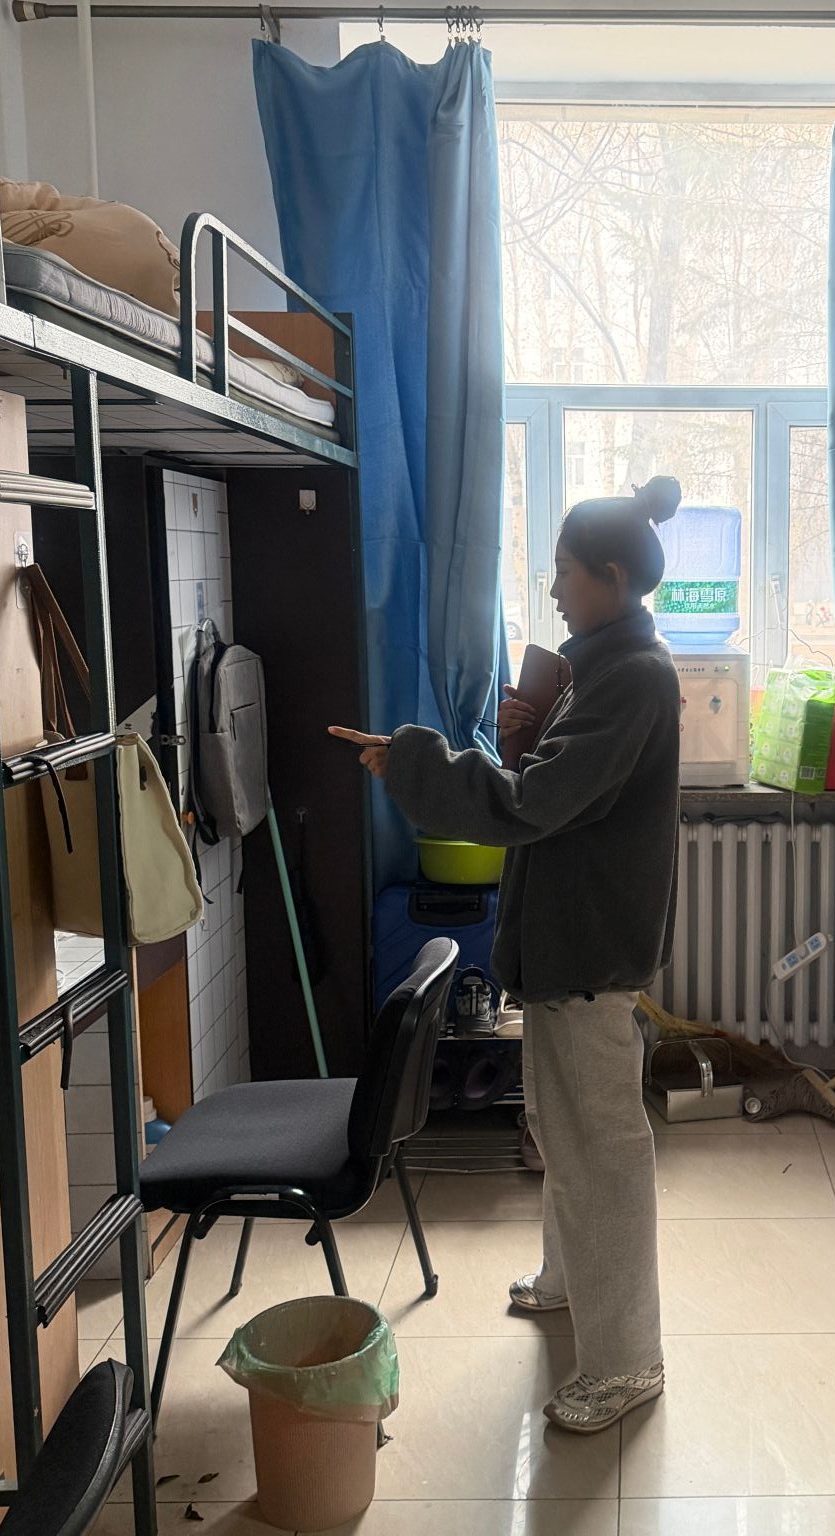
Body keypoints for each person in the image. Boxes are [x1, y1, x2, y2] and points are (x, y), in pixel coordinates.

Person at [331, 475, 683, 1435]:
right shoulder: (602, 667)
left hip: (591, 954)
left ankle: (628, 1361)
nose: (556, 589)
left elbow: (534, 804)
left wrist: (414, 760)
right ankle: (570, 1279)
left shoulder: (634, 677)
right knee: (564, 1133)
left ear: (613, 578)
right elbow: (550, 793)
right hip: (572, 943)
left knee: (602, 1155)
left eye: (567, 572)